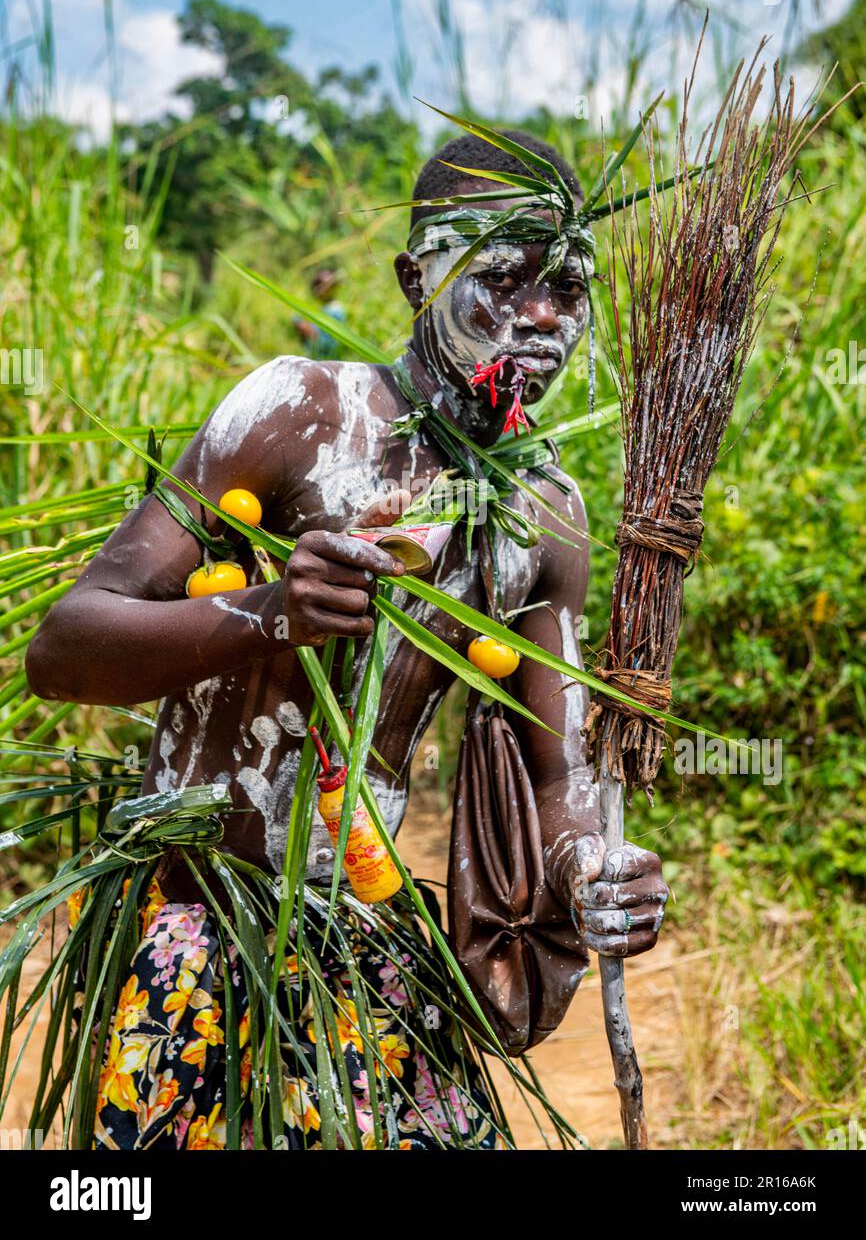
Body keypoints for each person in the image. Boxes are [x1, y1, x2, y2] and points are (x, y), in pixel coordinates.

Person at [26, 128, 669, 1150]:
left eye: (568, 289)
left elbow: (557, 782)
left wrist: (593, 867)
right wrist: (269, 611)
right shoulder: (298, 414)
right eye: (503, 275)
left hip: (367, 938)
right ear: (417, 277)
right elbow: (62, 651)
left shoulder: (541, 512)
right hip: (197, 928)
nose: (540, 316)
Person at [294, 268, 347, 358]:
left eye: (325, 285)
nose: (321, 289)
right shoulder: (320, 309)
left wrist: (309, 331)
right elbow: (296, 319)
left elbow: (332, 345)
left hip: (328, 364)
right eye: (317, 285)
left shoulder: (336, 310)